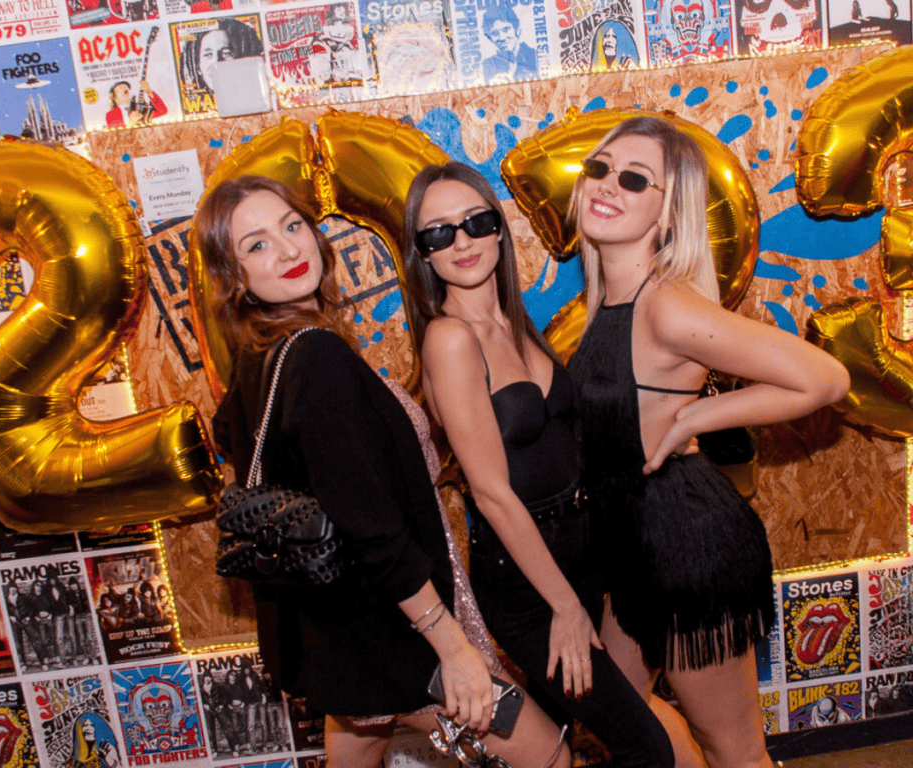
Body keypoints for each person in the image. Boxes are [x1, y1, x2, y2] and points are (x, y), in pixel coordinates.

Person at [199, 175, 573, 768]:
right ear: (234, 276)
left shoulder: (261, 355)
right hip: (398, 634)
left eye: (293, 226)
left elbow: (262, 449)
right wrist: (451, 646)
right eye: (257, 244)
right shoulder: (316, 356)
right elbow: (369, 525)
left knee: (358, 747)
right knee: (549, 756)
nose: (290, 250)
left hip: (337, 634)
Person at [565, 115, 850, 768]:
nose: (608, 185)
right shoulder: (607, 301)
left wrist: (692, 420)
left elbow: (824, 378)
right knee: (622, 723)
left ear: (669, 215)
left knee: (737, 750)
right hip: (630, 548)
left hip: (687, 548)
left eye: (636, 179)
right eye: (599, 169)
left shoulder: (667, 304)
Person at [401, 162, 673, 768]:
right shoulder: (449, 339)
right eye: (438, 233)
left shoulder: (514, 323)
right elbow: (492, 493)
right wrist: (565, 608)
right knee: (645, 747)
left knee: (595, 732)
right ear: (422, 254)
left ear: (499, 229)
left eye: (475, 222)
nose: (462, 241)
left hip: (579, 555)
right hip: (528, 584)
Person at [481, 5, 538, 84]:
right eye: (495, 33)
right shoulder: (487, 65)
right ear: (490, 38)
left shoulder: (535, 57)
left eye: (506, 29)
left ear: (518, 31)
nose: (502, 37)